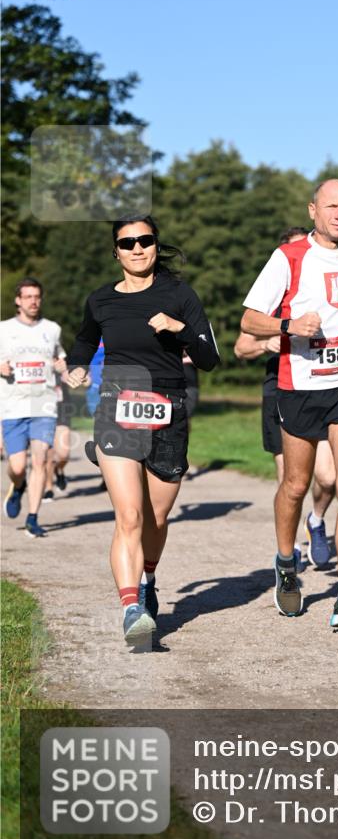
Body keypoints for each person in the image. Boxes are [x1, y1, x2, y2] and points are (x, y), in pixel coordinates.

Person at [241, 178, 338, 628]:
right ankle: (287, 565)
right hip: (300, 385)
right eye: (332, 206)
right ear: (313, 210)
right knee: (295, 484)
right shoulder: (288, 257)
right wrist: (289, 326)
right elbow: (250, 320)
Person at [65, 215, 220, 645]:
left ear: (155, 244)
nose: (137, 248)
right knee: (129, 515)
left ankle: (148, 578)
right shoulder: (100, 301)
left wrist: (179, 329)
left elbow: (209, 358)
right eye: (127, 242)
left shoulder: (178, 294)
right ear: (115, 251)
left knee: (156, 517)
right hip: (118, 407)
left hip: (168, 408)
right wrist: (77, 367)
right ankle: (131, 607)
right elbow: (82, 342)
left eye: (145, 240)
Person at [234, 227, 336, 570]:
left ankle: (317, 520)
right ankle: (289, 550)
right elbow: (240, 346)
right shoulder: (274, 298)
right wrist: (268, 342)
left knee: (329, 477)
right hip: (279, 388)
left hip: (321, 387)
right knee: (289, 480)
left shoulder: (326, 296)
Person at [0, 278, 67, 536]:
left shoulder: (52, 329)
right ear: (18, 300)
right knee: (17, 467)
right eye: (27, 296)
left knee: (40, 461)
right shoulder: (4, 329)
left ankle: (33, 518)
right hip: (13, 406)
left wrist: (62, 365)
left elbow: (60, 357)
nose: (33, 301)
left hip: (44, 404)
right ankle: (18, 487)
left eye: (37, 296)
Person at [43, 376, 72, 501]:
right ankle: (48, 488)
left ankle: (59, 469)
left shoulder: (62, 361)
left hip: (62, 410)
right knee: (48, 455)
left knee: (63, 454)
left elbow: (81, 377)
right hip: (42, 412)